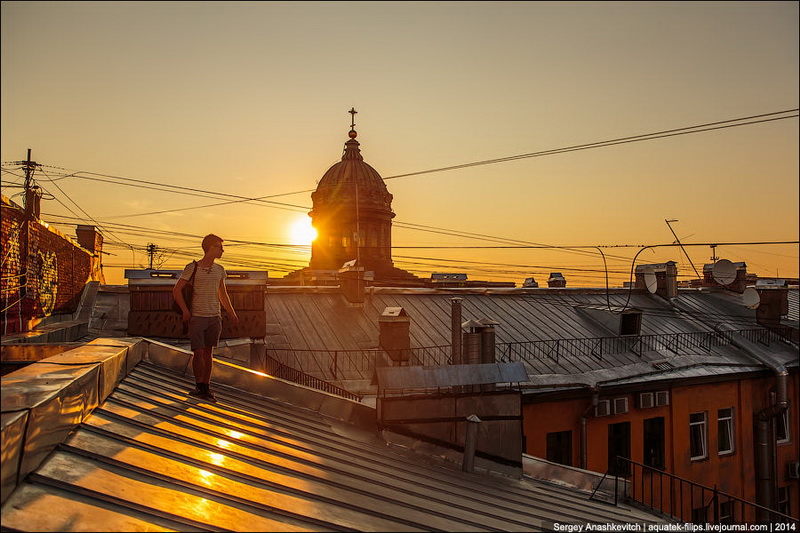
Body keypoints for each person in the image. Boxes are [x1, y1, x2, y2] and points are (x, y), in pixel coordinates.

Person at [172, 233, 239, 402]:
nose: (222, 250)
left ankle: (206, 387)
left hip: (214, 317)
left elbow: (222, 294)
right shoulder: (192, 267)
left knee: (209, 353)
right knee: (198, 352)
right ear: (210, 248)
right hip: (197, 317)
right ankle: (198, 385)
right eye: (219, 246)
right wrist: (185, 311)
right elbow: (176, 290)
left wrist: (231, 313)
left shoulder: (220, 270)